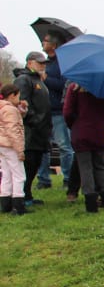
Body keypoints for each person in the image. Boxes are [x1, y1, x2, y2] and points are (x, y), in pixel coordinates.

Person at [62, 83, 104, 212]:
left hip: (81, 131)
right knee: (100, 166)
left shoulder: (75, 88)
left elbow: (67, 112)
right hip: (100, 132)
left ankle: (91, 202)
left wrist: (75, 124)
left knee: (85, 167)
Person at [13, 50, 51, 208]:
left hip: (41, 130)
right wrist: (35, 120)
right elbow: (23, 103)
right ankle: (21, 196)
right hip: (30, 130)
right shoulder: (24, 79)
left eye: (44, 63)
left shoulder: (39, 80)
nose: (43, 66)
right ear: (30, 63)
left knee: (35, 164)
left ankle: (27, 193)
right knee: (28, 164)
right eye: (39, 62)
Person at [38, 33, 74, 195]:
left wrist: (45, 79)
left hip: (58, 111)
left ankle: (68, 178)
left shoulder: (63, 63)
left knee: (64, 146)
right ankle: (43, 179)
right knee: (42, 146)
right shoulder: (45, 63)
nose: (42, 43)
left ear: (54, 45)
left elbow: (64, 86)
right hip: (43, 110)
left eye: (45, 41)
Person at [0, 83, 26, 215]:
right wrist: (19, 150)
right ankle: (18, 204)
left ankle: (5, 203)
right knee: (19, 175)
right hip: (11, 146)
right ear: (12, 95)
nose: (19, 99)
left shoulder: (3, 108)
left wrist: (22, 109)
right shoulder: (10, 110)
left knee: (6, 174)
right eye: (18, 96)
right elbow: (13, 130)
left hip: (2, 145)